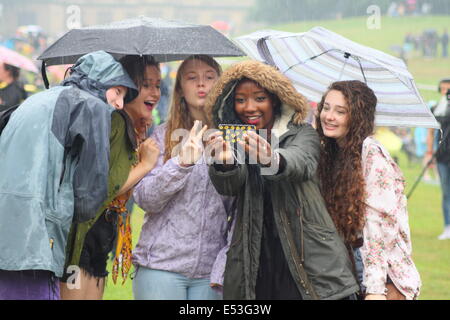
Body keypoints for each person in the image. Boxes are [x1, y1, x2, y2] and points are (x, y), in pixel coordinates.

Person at [206, 60, 359, 300]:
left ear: (275, 99)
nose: (249, 107)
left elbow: (301, 163)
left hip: (305, 255)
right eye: (240, 100)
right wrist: (225, 161)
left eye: (259, 98)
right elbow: (229, 186)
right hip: (256, 255)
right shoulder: (234, 137)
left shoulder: (302, 133)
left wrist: (270, 158)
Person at [0, 51, 139, 300]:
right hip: (36, 238)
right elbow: (90, 194)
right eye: (117, 92)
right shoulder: (91, 105)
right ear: (100, 80)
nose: (119, 104)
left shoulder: (38, 100)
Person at [60, 55, 161, 300]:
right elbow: (100, 189)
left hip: (99, 236)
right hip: (79, 240)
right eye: (146, 85)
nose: (155, 93)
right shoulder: (112, 121)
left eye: (158, 85)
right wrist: (146, 165)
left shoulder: (130, 125)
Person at [131, 55, 232, 300]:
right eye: (192, 78)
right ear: (180, 89)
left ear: (221, 86)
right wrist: (182, 163)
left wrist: (229, 167)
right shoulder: (162, 136)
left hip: (211, 272)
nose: (201, 84)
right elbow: (146, 199)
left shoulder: (233, 139)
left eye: (209, 77)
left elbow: (240, 208)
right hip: (161, 266)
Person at [316, 80, 421, 300]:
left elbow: (377, 226)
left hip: (385, 275)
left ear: (357, 117)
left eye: (340, 111)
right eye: (326, 107)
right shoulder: (333, 153)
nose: (329, 116)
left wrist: (375, 289)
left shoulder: (371, 154)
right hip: (348, 270)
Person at [426, 78, 450, 240]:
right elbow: (431, 132)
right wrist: (430, 151)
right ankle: (447, 226)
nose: (445, 92)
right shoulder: (436, 109)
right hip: (442, 155)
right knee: (446, 192)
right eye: (442, 89)